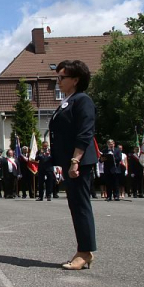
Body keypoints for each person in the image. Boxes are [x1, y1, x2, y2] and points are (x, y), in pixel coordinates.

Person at [49, 60, 98, 270]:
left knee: (80, 206)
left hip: (78, 162)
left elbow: (85, 133)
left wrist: (75, 161)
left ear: (75, 80)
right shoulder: (68, 101)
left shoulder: (82, 100)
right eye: (57, 77)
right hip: (69, 162)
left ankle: (85, 252)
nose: (58, 81)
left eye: (62, 77)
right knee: (75, 206)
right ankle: (84, 250)